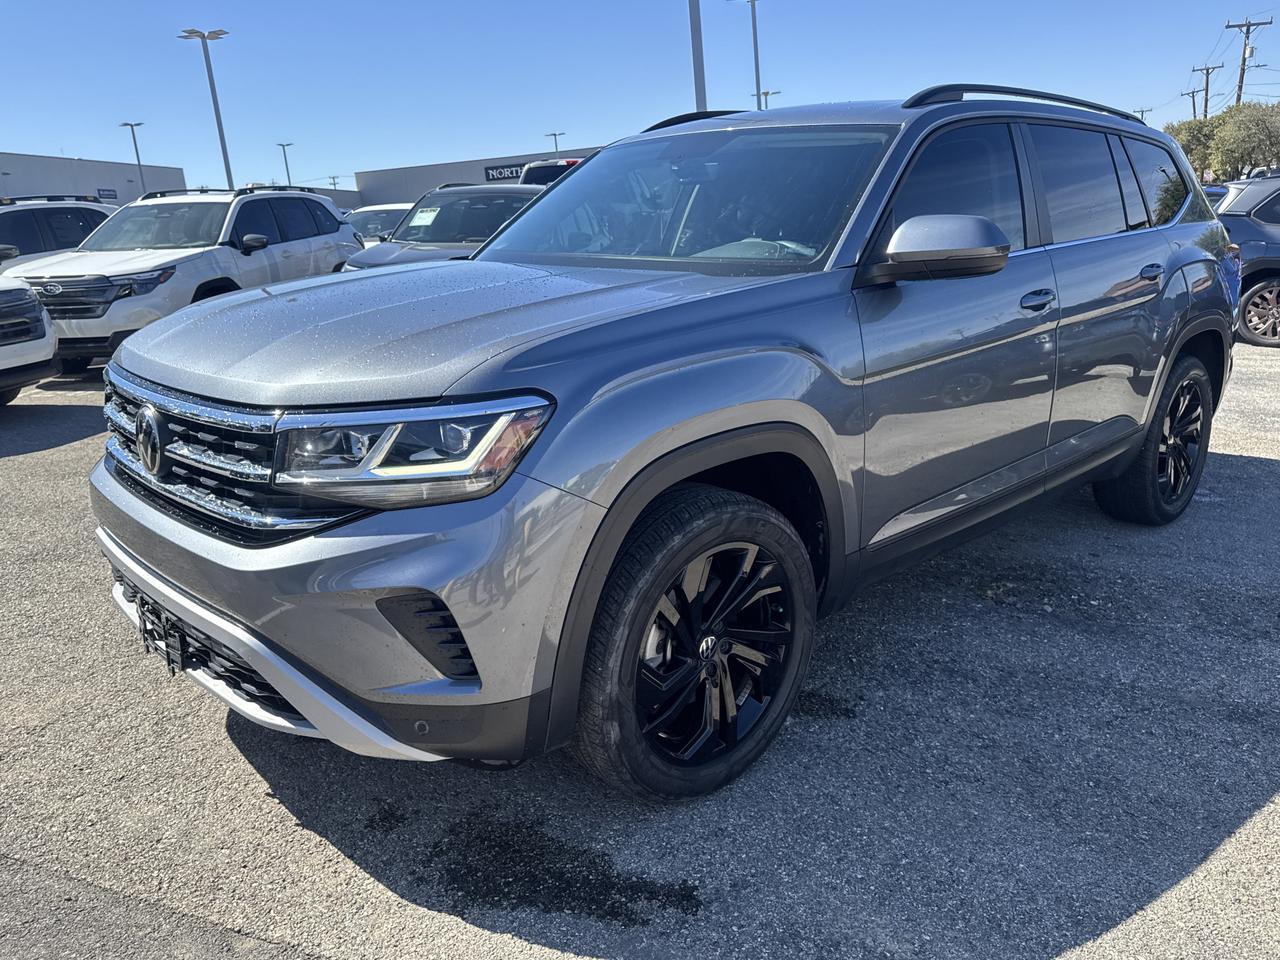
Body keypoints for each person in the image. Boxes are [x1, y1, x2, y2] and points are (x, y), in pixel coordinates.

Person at [1222, 242, 1243, 313]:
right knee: (1232, 299)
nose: (1233, 253)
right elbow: (1232, 269)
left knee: (1236, 298)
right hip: (1230, 281)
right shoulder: (1225, 260)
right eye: (1232, 251)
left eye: (1235, 251)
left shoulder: (1236, 260)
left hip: (1236, 281)